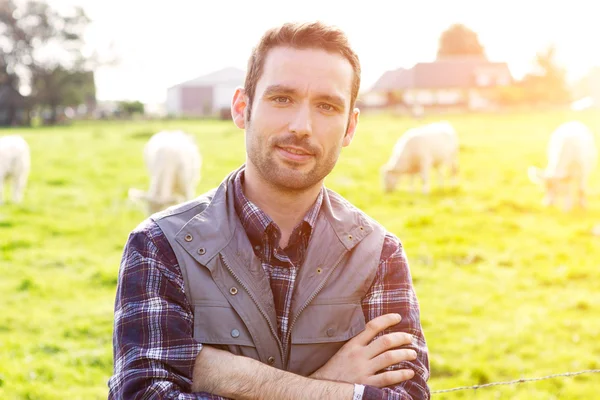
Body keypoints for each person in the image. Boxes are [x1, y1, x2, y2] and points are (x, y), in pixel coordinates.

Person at [108, 21, 430, 400]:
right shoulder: (160, 246)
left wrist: (225, 376)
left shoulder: (378, 254)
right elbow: (143, 394)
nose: (302, 126)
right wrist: (331, 384)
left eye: (327, 106)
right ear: (242, 108)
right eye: (282, 99)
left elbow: (405, 396)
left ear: (349, 127)